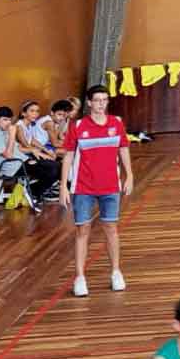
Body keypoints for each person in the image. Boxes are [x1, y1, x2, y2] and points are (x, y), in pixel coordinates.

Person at [64, 83, 134, 296]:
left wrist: (129, 175)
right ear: (89, 102)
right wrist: (64, 188)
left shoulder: (116, 124)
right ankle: (80, 277)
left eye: (105, 100)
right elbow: (68, 156)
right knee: (82, 230)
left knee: (111, 228)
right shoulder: (77, 126)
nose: (101, 104)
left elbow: (123, 149)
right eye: (97, 100)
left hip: (110, 185)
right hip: (83, 187)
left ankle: (115, 272)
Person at [0, 106, 35, 207]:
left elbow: (18, 149)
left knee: (51, 166)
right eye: (5, 119)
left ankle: (25, 194)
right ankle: (25, 195)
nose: (8, 123)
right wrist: (12, 135)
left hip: (22, 162)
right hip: (12, 167)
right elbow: (9, 155)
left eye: (9, 120)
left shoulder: (5, 132)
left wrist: (35, 151)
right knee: (50, 170)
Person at [16, 101, 63, 202]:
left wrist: (46, 150)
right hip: (23, 158)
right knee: (53, 167)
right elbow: (27, 145)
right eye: (32, 111)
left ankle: (36, 190)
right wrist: (43, 154)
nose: (35, 114)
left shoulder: (29, 125)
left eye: (37, 111)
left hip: (30, 154)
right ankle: (34, 191)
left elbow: (33, 140)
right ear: (23, 113)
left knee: (57, 165)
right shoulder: (19, 126)